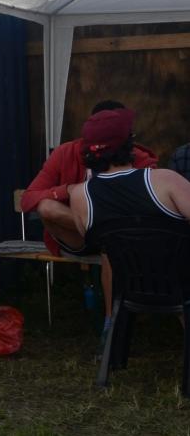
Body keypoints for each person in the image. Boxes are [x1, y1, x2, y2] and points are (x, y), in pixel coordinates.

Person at [19, 99, 157, 321]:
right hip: (79, 234)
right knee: (47, 207)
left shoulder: (138, 158)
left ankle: (112, 323)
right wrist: (68, 190)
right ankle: (117, 321)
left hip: (124, 238)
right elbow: (28, 200)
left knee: (112, 246)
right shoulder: (67, 152)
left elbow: (153, 200)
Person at [68, 107, 190, 251]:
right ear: (129, 144)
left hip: (121, 266)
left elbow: (101, 247)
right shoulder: (166, 180)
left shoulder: (80, 197)